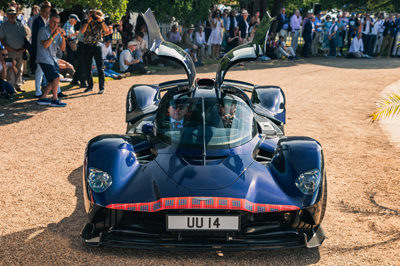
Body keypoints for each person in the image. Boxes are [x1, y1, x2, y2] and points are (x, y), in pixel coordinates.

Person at [36, 14, 67, 107]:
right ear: (49, 21)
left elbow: (62, 48)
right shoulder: (43, 30)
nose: (55, 25)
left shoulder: (57, 34)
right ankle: (55, 99)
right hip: (44, 58)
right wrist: (54, 34)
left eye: (57, 23)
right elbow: (45, 45)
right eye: (54, 22)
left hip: (53, 59)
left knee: (52, 80)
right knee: (56, 78)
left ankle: (42, 98)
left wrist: (63, 37)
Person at [80, 8, 109, 94]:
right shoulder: (84, 21)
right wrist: (88, 21)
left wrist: (101, 21)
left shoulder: (99, 21)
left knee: (100, 67)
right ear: (87, 13)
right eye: (90, 13)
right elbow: (82, 31)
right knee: (88, 67)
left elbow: (106, 30)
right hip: (87, 45)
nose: (92, 14)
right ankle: (90, 86)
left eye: (93, 13)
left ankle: (102, 88)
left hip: (97, 45)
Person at [0, 6, 26, 92]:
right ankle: (11, 86)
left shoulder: (20, 25)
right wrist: (7, 47)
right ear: (7, 15)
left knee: (19, 68)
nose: (12, 15)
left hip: (19, 51)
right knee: (10, 69)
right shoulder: (3, 26)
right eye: (10, 13)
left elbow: (25, 37)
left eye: (14, 14)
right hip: (9, 51)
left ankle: (18, 85)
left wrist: (25, 48)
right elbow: (1, 38)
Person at [31, 2, 52, 98]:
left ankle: (43, 88)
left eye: (49, 12)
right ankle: (38, 91)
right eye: (45, 12)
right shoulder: (38, 21)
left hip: (47, 48)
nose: (47, 14)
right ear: (41, 11)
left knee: (43, 70)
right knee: (39, 70)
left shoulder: (47, 20)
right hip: (40, 48)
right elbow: (36, 37)